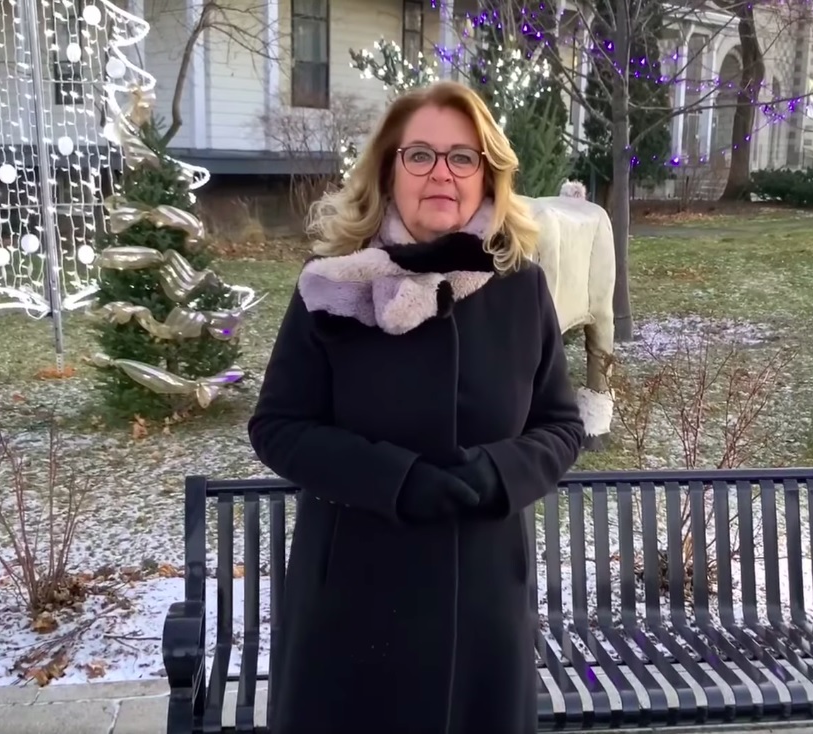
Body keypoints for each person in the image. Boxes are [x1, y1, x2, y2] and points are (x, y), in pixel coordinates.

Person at [246, 80, 585, 734]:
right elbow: (278, 427)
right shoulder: (332, 284)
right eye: (420, 155)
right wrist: (393, 480)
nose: (442, 173)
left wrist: (498, 473)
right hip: (351, 604)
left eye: (462, 157)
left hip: (483, 601)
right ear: (388, 170)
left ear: (487, 175)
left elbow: (560, 425)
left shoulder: (521, 289)